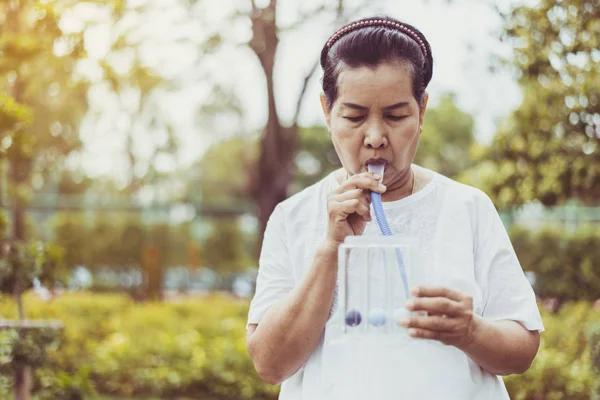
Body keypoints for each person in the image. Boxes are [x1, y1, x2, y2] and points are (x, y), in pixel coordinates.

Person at [245, 15, 543, 400]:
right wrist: (329, 248)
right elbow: (269, 365)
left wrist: (471, 331)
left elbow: (521, 352)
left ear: (421, 110)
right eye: (353, 117)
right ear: (326, 111)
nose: (375, 138)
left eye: (396, 115)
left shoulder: (468, 208)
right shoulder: (293, 218)